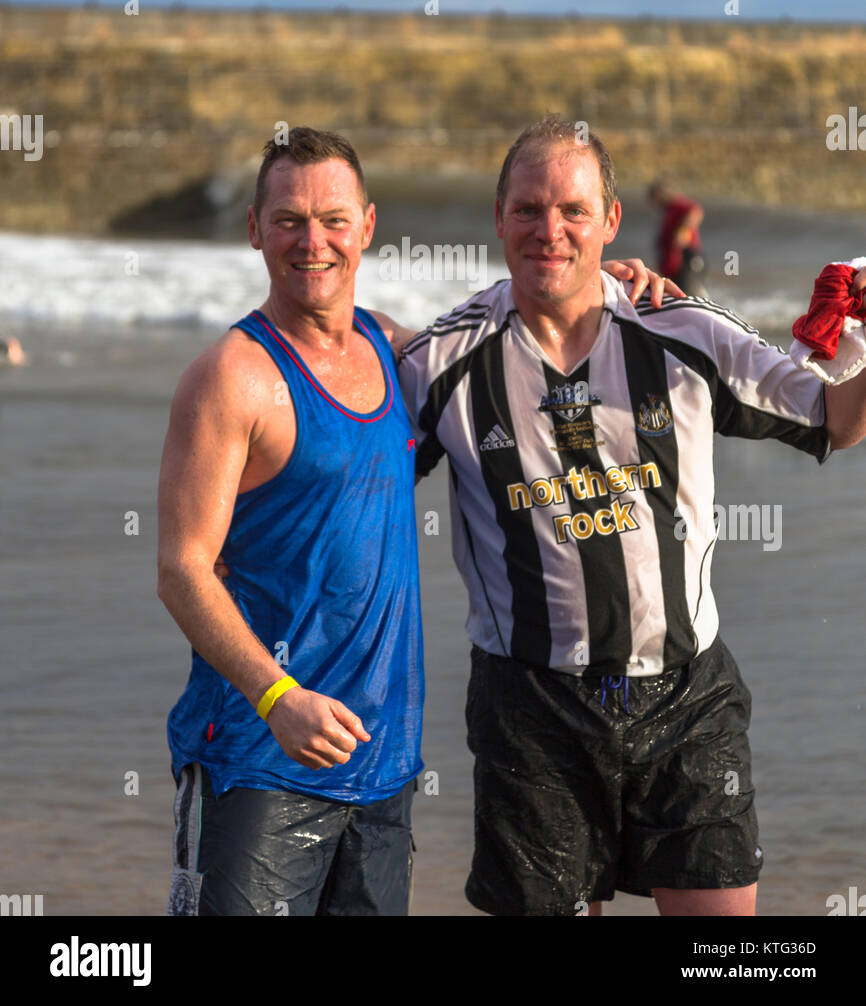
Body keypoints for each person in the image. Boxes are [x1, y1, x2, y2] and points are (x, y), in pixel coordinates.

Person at [160, 124, 670, 917]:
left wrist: (606, 284)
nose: (312, 241)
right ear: (255, 230)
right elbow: (182, 569)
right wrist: (276, 696)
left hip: (381, 765)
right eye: (288, 220)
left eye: (333, 219)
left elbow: (520, 342)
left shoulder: (397, 352)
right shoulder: (232, 378)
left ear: (367, 225)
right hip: (259, 759)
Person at [394, 115, 866, 917]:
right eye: (528, 210)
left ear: (611, 221)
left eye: (574, 210)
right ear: (498, 218)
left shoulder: (683, 331)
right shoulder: (442, 366)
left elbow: (834, 418)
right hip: (530, 712)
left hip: (689, 700)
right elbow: (349, 484)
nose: (551, 230)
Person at [648, 178, 706, 296]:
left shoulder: (678, 204)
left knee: (688, 296)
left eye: (654, 197)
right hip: (673, 265)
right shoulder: (668, 210)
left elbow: (695, 211)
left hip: (687, 259)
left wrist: (683, 231)